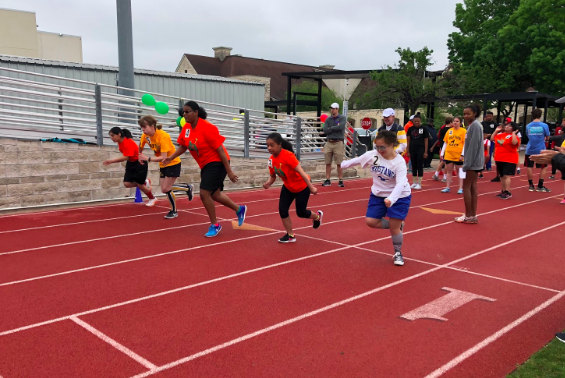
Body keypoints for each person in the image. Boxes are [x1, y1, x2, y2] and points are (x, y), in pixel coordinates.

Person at [162, 101, 247, 237]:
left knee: (204, 193)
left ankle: (215, 225)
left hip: (217, 161)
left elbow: (220, 150)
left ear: (196, 112)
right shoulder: (187, 128)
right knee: (214, 194)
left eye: (187, 111)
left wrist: (229, 171)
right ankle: (239, 209)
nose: (185, 114)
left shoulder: (207, 127)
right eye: (183, 112)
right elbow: (184, 145)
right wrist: (170, 158)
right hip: (205, 164)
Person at [340, 130, 411, 266]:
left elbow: (401, 183)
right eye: (377, 146)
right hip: (378, 194)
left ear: (391, 145)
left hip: (399, 196)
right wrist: (342, 164)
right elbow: (358, 160)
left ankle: (397, 252)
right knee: (371, 221)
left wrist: (392, 199)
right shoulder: (373, 155)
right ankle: (397, 225)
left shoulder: (399, 162)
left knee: (394, 229)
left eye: (382, 147)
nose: (379, 150)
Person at [263, 133, 322, 243]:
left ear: (279, 144)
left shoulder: (288, 156)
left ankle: (317, 216)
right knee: (282, 210)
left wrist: (311, 187)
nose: (269, 148)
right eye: (268, 146)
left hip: (302, 186)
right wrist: (268, 183)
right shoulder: (271, 160)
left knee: (301, 213)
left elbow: (302, 173)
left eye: (272, 145)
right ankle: (290, 235)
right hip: (288, 187)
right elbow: (273, 176)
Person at [137, 115, 194, 219]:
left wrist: (148, 158)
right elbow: (140, 146)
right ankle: (186, 188)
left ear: (152, 126)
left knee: (166, 189)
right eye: (141, 127)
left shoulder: (163, 136)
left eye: (144, 127)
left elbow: (164, 157)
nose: (143, 129)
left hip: (172, 162)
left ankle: (174, 211)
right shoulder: (145, 136)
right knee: (164, 189)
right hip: (163, 164)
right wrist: (139, 156)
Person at [103, 127, 155, 204]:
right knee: (127, 184)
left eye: (113, 135)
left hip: (139, 163)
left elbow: (125, 157)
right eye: (110, 136)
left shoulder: (128, 142)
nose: (111, 138)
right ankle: (145, 182)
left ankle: (152, 198)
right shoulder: (120, 142)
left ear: (119, 134)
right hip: (131, 163)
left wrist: (111, 161)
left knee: (139, 185)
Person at [455, 104, 484, 223]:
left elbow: (473, 147)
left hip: (472, 163)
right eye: (464, 114)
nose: (466, 116)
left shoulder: (475, 126)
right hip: (472, 162)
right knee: (472, 187)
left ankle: (469, 215)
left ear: (475, 114)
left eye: (468, 114)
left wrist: (466, 165)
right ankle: (471, 214)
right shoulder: (473, 126)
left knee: (467, 187)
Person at [491, 122, 520, 200]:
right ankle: (503, 190)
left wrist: (513, 133)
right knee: (502, 176)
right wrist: (496, 131)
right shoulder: (500, 135)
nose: (507, 127)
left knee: (507, 176)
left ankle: (508, 191)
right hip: (499, 158)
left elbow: (514, 143)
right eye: (506, 125)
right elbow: (492, 139)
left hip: (509, 159)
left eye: (509, 126)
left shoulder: (514, 137)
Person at [524, 108, 551, 192]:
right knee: (544, 167)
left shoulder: (528, 126)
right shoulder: (544, 125)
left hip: (530, 149)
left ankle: (531, 185)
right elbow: (547, 137)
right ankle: (540, 185)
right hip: (541, 150)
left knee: (529, 167)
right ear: (540, 115)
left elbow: (528, 136)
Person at [322, 103, 346, 187]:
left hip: (338, 142)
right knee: (328, 162)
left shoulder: (342, 118)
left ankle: (340, 180)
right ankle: (328, 179)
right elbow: (325, 130)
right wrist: (334, 127)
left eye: (334, 108)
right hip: (329, 142)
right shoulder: (328, 119)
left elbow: (341, 127)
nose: (332, 110)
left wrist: (331, 128)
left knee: (339, 162)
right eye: (331, 108)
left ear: (337, 109)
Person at [441, 116, 466, 194]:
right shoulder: (449, 131)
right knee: (449, 171)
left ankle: (460, 188)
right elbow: (445, 142)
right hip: (449, 154)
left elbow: (465, 144)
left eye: (457, 121)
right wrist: (442, 153)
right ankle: (447, 187)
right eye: (454, 121)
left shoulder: (463, 131)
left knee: (460, 172)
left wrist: (463, 154)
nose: (455, 122)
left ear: (460, 123)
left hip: (458, 155)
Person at [406, 115, 429, 190]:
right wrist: (408, 151)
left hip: (420, 150)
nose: (417, 123)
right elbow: (408, 140)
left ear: (420, 121)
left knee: (420, 166)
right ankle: (414, 182)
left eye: (418, 121)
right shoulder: (410, 129)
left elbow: (426, 140)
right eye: (415, 121)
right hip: (412, 149)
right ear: (413, 121)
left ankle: (419, 183)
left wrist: (425, 152)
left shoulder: (424, 129)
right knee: (414, 166)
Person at [431, 117, 453, 182]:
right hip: (447, 146)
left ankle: (436, 174)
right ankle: (445, 177)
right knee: (447, 162)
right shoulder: (450, 130)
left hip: (442, 146)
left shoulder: (442, 128)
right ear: (450, 122)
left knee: (442, 161)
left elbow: (439, 137)